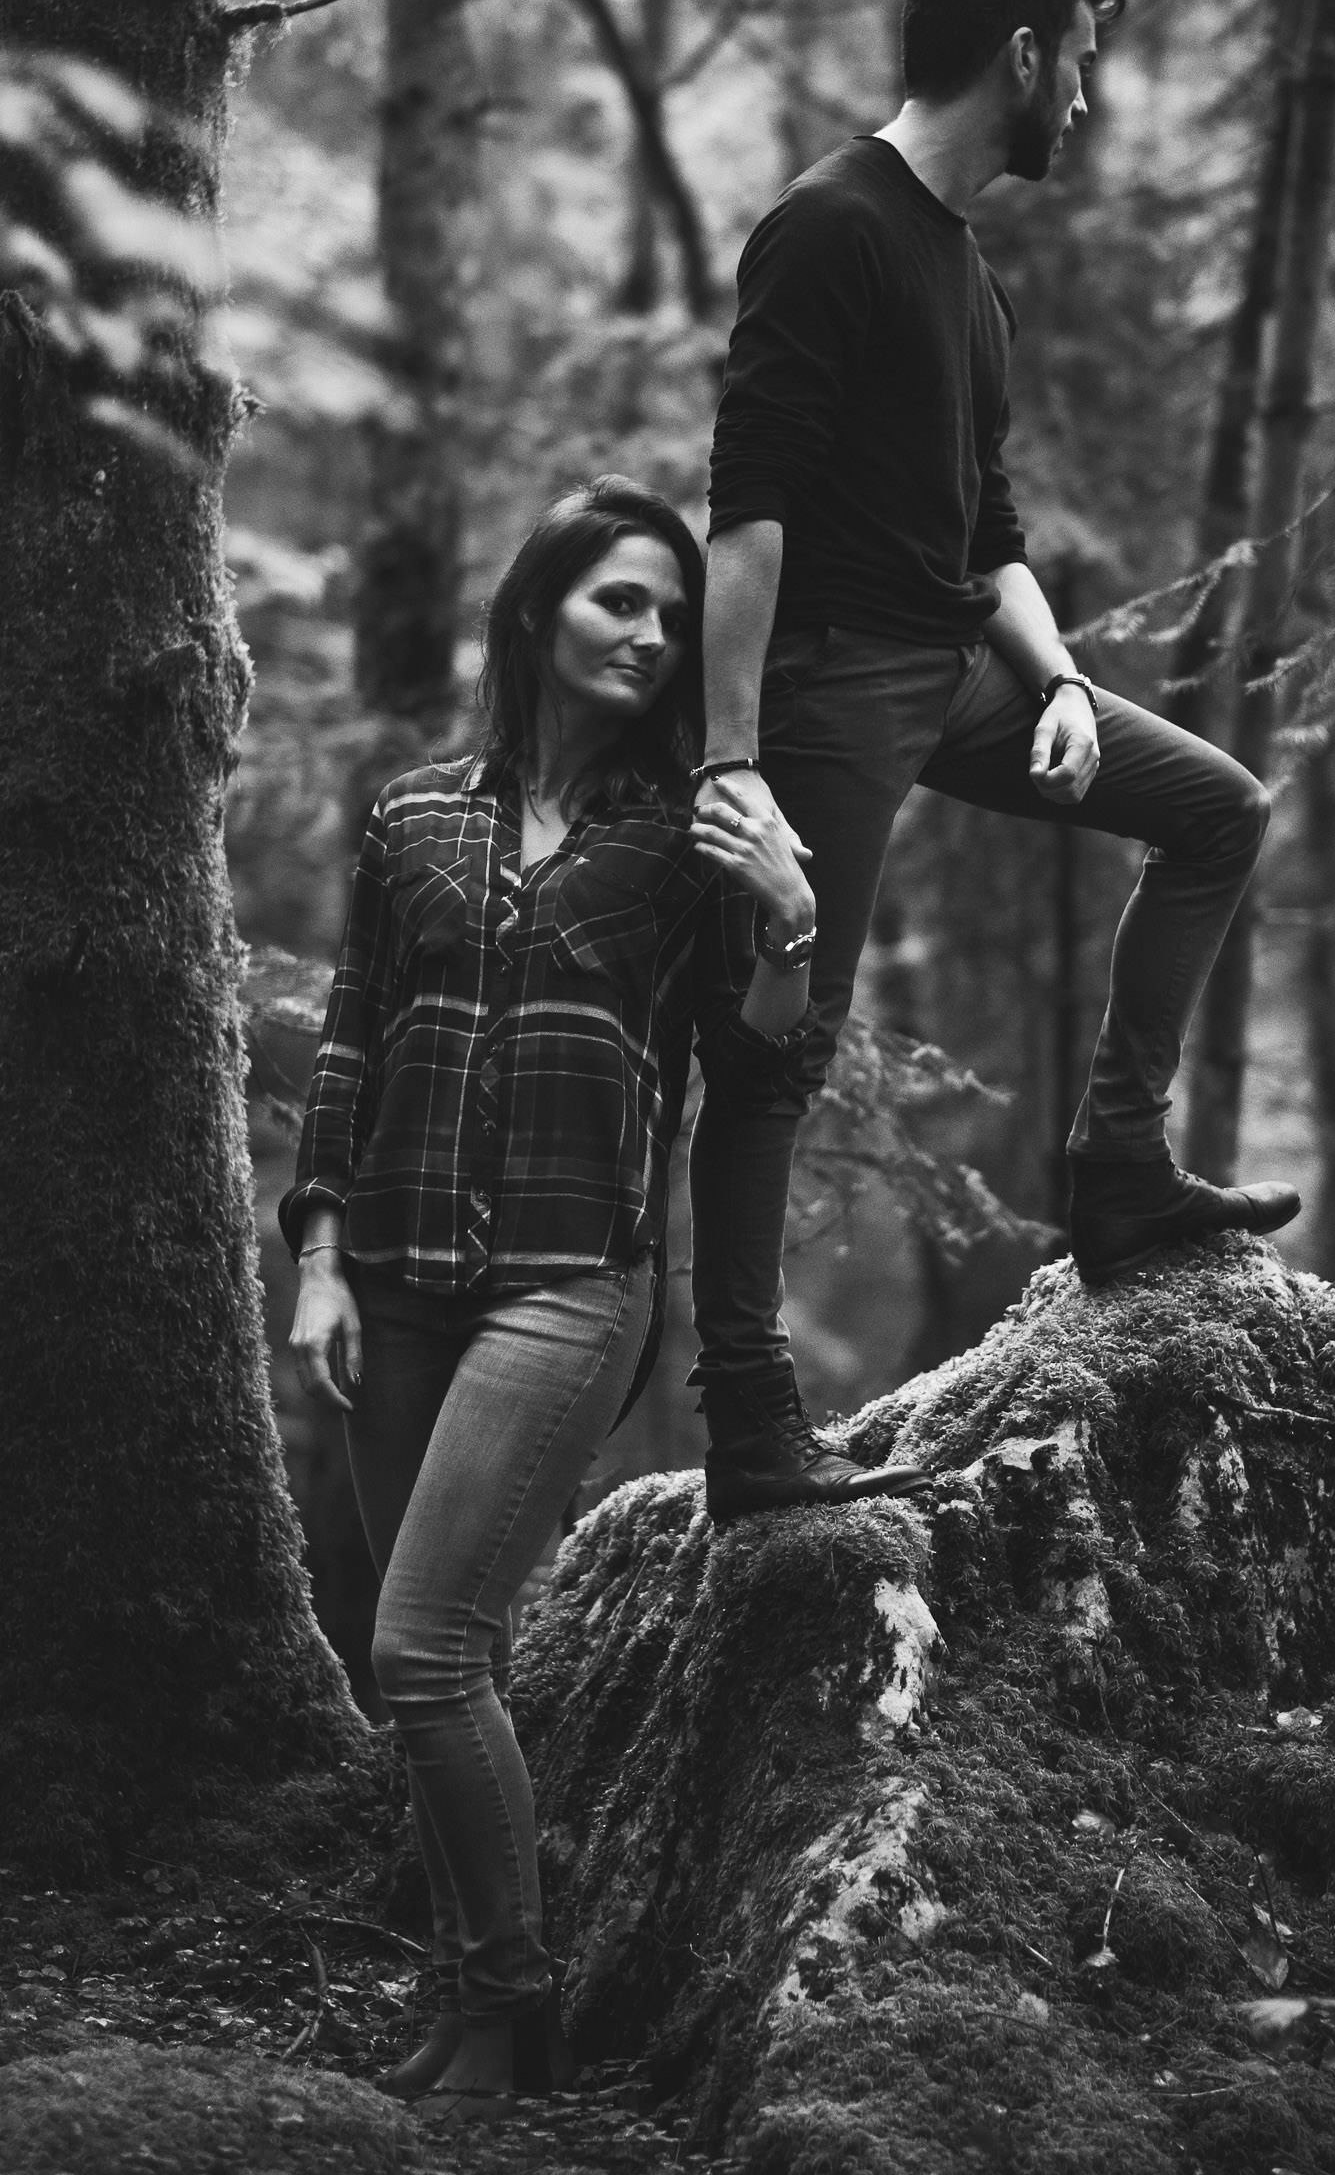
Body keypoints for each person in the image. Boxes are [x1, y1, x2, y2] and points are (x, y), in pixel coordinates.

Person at [281, 480, 927, 2118]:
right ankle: (469, 1994)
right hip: (397, 1279)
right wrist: (317, 1256)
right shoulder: (417, 816)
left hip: (570, 1285)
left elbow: (763, 1053)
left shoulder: (687, 832)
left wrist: (787, 914)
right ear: (535, 614)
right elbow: (355, 1041)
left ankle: (517, 2007)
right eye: (618, 603)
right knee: (426, 1655)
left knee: (425, 1648)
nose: (650, 636)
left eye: (668, 614)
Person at [687, 0, 1301, 1513]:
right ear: (1022, 56)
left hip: (956, 664)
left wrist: (1067, 684)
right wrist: (732, 764)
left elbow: (991, 533)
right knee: (776, 1046)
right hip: (826, 684)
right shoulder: (828, 229)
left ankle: (1119, 1169)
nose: (1089, 98)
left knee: (1218, 808)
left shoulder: (967, 269)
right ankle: (749, 1426)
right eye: (1082, 60)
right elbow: (744, 509)